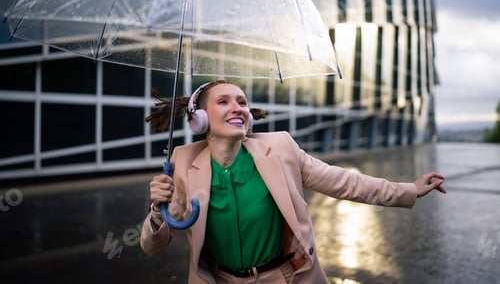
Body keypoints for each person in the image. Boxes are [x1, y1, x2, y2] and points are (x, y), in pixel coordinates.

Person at [140, 80, 446, 284]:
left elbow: (343, 182)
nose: (238, 107)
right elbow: (154, 246)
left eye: (242, 102)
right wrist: (158, 210)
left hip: (283, 277)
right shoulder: (182, 162)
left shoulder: (281, 148)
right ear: (200, 119)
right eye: (224, 102)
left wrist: (410, 190)